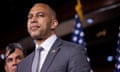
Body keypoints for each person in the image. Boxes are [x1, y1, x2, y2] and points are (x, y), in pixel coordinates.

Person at [16, 2, 91, 72]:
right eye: (30, 17)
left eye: (40, 15)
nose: (33, 20)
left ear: (53, 24)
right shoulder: (22, 65)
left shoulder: (74, 52)